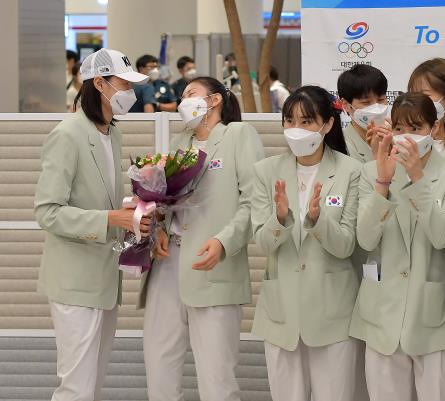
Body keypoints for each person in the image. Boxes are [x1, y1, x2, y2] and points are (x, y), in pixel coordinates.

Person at [34, 48, 150, 401]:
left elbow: (101, 200)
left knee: (93, 383)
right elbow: (47, 210)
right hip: (75, 281)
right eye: (123, 83)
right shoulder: (68, 134)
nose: (130, 92)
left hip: (103, 279)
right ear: (98, 83)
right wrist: (110, 219)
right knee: (76, 387)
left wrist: (131, 210)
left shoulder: (111, 134)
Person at [139, 76, 264, 401]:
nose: (183, 101)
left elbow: (255, 201)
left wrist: (224, 242)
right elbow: (167, 201)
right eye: (181, 96)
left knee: (216, 377)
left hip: (213, 264)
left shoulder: (238, 135)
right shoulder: (180, 142)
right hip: (167, 265)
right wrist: (160, 229)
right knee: (159, 364)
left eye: (191, 94)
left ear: (214, 100)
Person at [350, 92, 445, 401]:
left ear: (434, 128)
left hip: (432, 316)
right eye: (400, 129)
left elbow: (442, 237)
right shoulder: (370, 172)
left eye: (416, 128)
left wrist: (418, 178)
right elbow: (365, 239)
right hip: (382, 315)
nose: (407, 137)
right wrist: (382, 184)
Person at [250, 85, 362, 401]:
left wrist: (317, 220)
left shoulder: (350, 170)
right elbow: (263, 243)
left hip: (332, 312)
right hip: (281, 311)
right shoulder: (265, 171)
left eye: (307, 122)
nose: (296, 130)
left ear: (327, 124)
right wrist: (281, 218)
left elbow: (345, 247)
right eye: (289, 121)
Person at [337, 64, 390, 163]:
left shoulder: (396, 137)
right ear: (346, 105)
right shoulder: (340, 146)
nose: (376, 108)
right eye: (366, 102)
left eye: (381, 99)